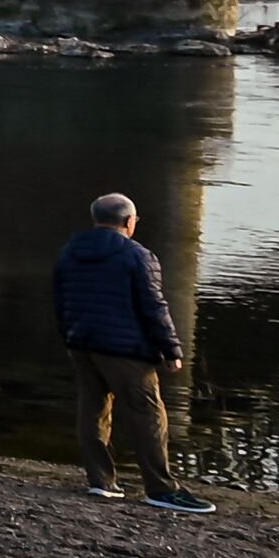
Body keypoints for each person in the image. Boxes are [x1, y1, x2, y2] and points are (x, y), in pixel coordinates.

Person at [54, 189, 211, 514]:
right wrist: (171, 349)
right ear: (129, 221)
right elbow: (154, 307)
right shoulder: (137, 256)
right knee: (148, 413)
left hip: (82, 342)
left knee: (93, 409)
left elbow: (60, 299)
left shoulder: (70, 251)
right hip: (125, 349)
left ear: (96, 219)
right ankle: (161, 488)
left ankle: (101, 481)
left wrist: (69, 336)